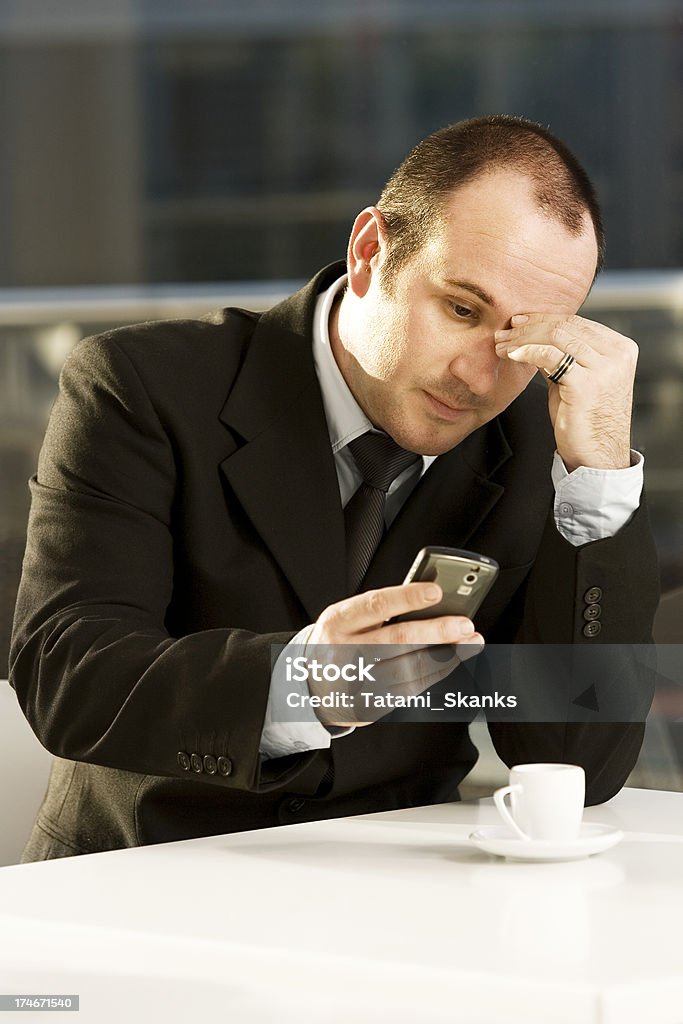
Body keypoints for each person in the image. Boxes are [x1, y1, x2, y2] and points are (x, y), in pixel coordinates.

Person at [10, 115, 659, 860]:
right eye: (459, 309)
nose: (482, 378)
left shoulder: (543, 453)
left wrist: (599, 479)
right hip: (138, 881)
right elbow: (70, 672)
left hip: (391, 901)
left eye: (524, 340)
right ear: (367, 253)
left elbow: (579, 758)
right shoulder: (142, 386)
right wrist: (304, 685)